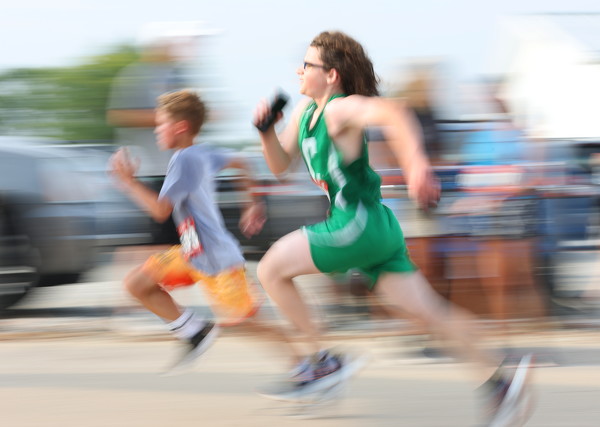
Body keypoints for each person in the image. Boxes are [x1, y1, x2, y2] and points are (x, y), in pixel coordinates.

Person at [253, 31, 533, 424]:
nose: (299, 70)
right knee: (429, 313)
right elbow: (281, 166)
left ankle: (322, 362)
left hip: (356, 223)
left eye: (307, 64)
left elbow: (395, 113)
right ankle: (500, 381)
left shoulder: (341, 109)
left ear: (331, 75)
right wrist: (266, 132)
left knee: (270, 269)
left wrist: (416, 164)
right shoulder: (304, 113)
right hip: (376, 227)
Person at [109, 89, 297, 371]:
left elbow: (161, 211)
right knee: (137, 283)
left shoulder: (184, 160)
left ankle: (309, 363)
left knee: (246, 323)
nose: (157, 130)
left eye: (161, 124)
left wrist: (128, 182)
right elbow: (242, 163)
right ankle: (194, 331)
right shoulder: (203, 152)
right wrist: (251, 203)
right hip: (192, 254)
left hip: (217, 261)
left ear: (180, 127)